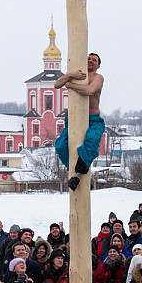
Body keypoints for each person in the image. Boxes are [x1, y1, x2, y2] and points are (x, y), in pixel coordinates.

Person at [54, 53, 105, 191]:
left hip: (93, 120)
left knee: (92, 141)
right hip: (73, 119)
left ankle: (77, 175)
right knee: (60, 146)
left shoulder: (98, 78)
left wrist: (70, 84)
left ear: (98, 65)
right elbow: (57, 84)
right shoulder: (76, 74)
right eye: (88, 58)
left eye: (94, 60)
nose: (90, 61)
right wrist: (69, 75)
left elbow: (89, 91)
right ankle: (82, 174)